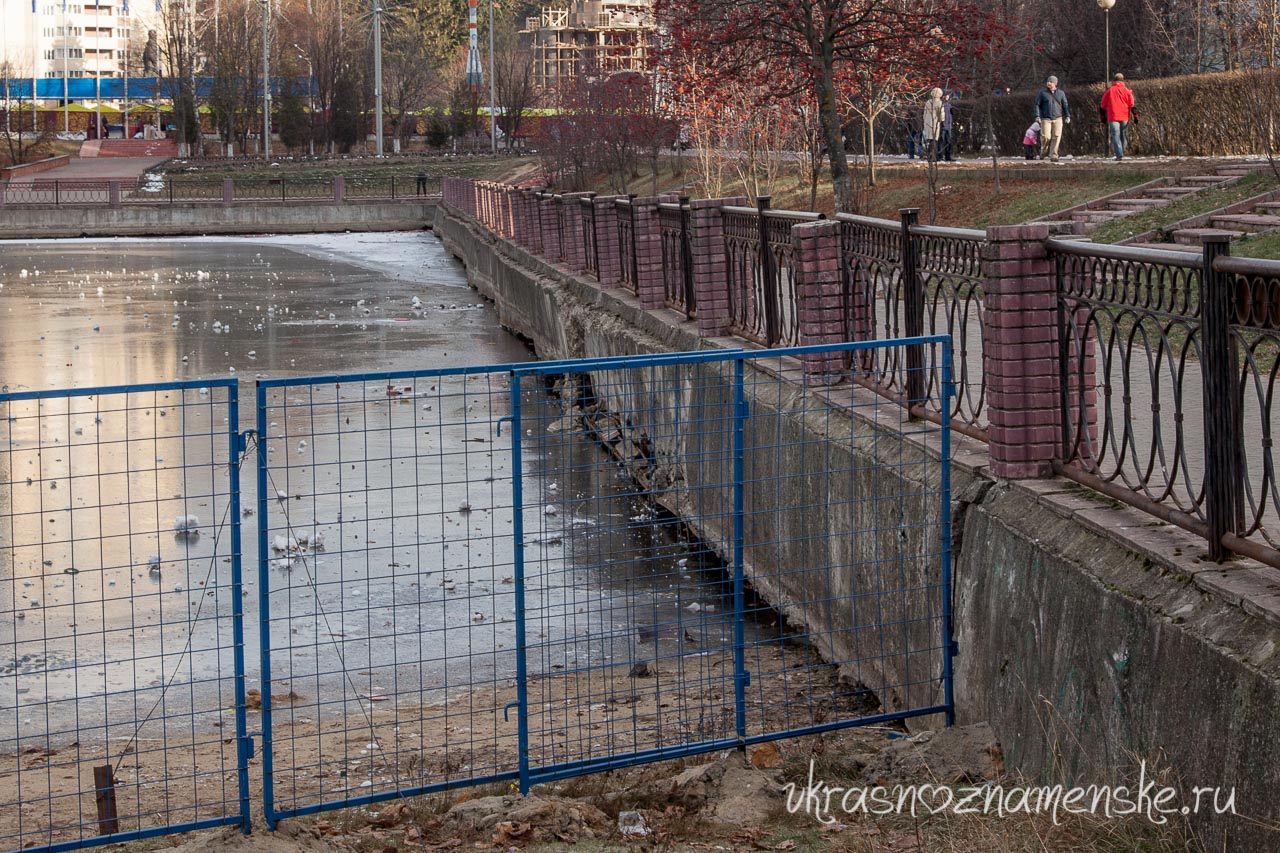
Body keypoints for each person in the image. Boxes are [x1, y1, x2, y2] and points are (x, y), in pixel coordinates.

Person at [1099, 73, 1136, 161]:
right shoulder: (1127, 91)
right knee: (1123, 134)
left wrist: (1103, 117)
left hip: (1113, 116)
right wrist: (1135, 115)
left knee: (1116, 135)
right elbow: (1132, 104)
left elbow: (1103, 105)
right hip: (1124, 116)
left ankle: (1119, 154)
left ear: (1114, 80)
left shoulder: (1109, 91)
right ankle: (1122, 151)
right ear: (1123, 80)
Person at [1035, 75, 1071, 162]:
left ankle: (1053, 155)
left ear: (1055, 83)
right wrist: (1037, 115)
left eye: (1050, 82)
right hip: (1045, 118)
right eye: (1048, 81)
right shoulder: (1042, 93)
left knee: (1056, 136)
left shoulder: (1061, 93)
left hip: (1058, 118)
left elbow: (1065, 105)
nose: (1048, 83)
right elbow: (1037, 104)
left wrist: (1067, 115)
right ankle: (1044, 150)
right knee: (1046, 136)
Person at [922, 88, 945, 161]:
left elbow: (924, 113)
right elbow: (940, 114)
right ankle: (932, 156)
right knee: (934, 140)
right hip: (934, 122)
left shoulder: (928, 102)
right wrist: (942, 120)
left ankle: (930, 155)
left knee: (930, 139)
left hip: (927, 122)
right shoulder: (939, 103)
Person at [939, 92, 955, 161]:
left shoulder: (949, 105)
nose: (947, 97)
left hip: (949, 126)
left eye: (948, 96)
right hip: (943, 125)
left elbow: (950, 115)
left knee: (948, 141)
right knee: (941, 141)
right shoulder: (941, 104)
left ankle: (947, 156)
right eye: (946, 96)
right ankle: (940, 156)